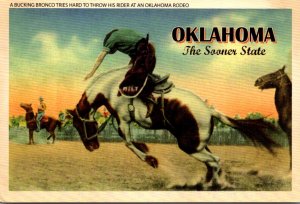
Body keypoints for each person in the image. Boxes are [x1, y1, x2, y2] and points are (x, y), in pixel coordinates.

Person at [84, 28, 157, 116]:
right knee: (128, 75)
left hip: (145, 53)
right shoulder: (122, 35)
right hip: (147, 50)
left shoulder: (111, 40)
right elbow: (134, 57)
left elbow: (100, 57)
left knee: (132, 78)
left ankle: (150, 100)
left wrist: (92, 72)